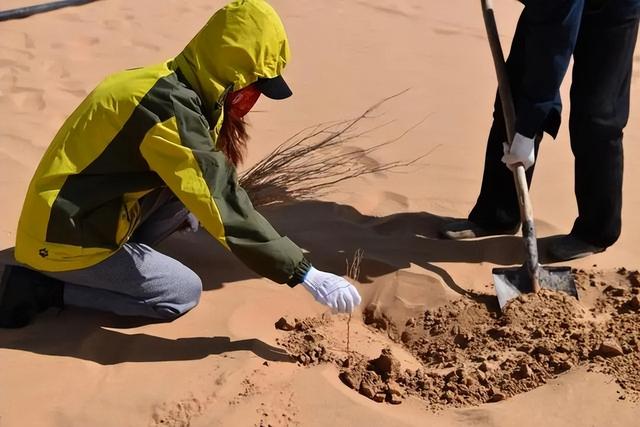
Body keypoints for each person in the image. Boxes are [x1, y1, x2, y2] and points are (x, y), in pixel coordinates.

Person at [0, 0, 361, 329]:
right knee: (180, 294)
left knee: (187, 196)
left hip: (87, 210)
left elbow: (206, 179)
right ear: (232, 70)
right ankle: (44, 289)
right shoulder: (167, 111)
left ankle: (113, 261)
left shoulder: (174, 84)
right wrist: (304, 272)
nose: (253, 97)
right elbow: (221, 199)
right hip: (64, 238)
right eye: (255, 85)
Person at [441, 0, 640, 261]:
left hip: (612, 10)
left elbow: (553, 43)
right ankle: (498, 214)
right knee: (512, 99)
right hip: (550, 10)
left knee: (597, 116)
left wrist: (527, 130)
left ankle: (595, 232)